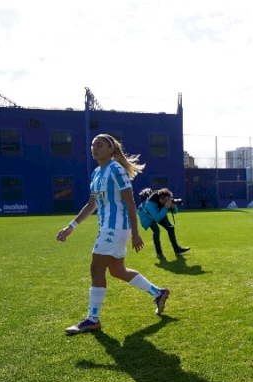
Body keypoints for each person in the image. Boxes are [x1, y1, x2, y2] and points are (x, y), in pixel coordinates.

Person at [57, 134, 170, 335]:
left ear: (111, 149)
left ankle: (92, 319)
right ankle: (158, 292)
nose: (95, 148)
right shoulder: (96, 174)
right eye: (93, 145)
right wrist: (71, 226)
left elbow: (130, 203)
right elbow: (92, 204)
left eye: (99, 145)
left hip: (116, 227)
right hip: (108, 228)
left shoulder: (116, 169)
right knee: (117, 270)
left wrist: (136, 234)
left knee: (96, 267)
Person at [138, 188, 190, 260]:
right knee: (156, 231)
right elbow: (156, 218)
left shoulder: (164, 199)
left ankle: (176, 249)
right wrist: (165, 207)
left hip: (157, 212)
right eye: (166, 201)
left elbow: (175, 211)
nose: (168, 201)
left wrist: (173, 207)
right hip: (146, 216)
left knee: (170, 227)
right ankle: (159, 253)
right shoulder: (150, 203)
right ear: (161, 199)